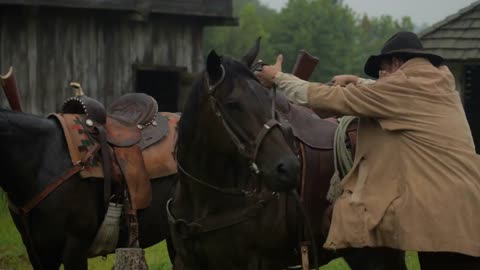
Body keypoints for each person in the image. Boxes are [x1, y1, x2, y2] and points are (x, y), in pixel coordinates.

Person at [255, 31, 480, 270]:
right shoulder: (440, 87)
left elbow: (329, 98)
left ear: (396, 63)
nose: (382, 77)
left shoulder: (401, 88)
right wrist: (358, 81)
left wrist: (278, 77)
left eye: (383, 70)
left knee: (352, 218)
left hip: (443, 212)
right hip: (466, 205)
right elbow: (394, 94)